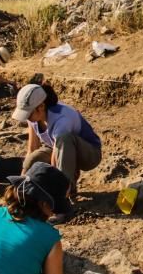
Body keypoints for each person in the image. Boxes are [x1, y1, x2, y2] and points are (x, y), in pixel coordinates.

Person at [11, 82, 102, 223]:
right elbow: (32, 148)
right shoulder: (34, 117)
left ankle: (62, 206)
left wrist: (52, 194)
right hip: (60, 149)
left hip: (89, 154)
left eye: (28, 114)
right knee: (33, 159)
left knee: (63, 144)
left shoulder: (61, 118)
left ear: (41, 107)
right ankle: (28, 200)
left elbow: (57, 158)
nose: (27, 117)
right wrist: (19, 185)